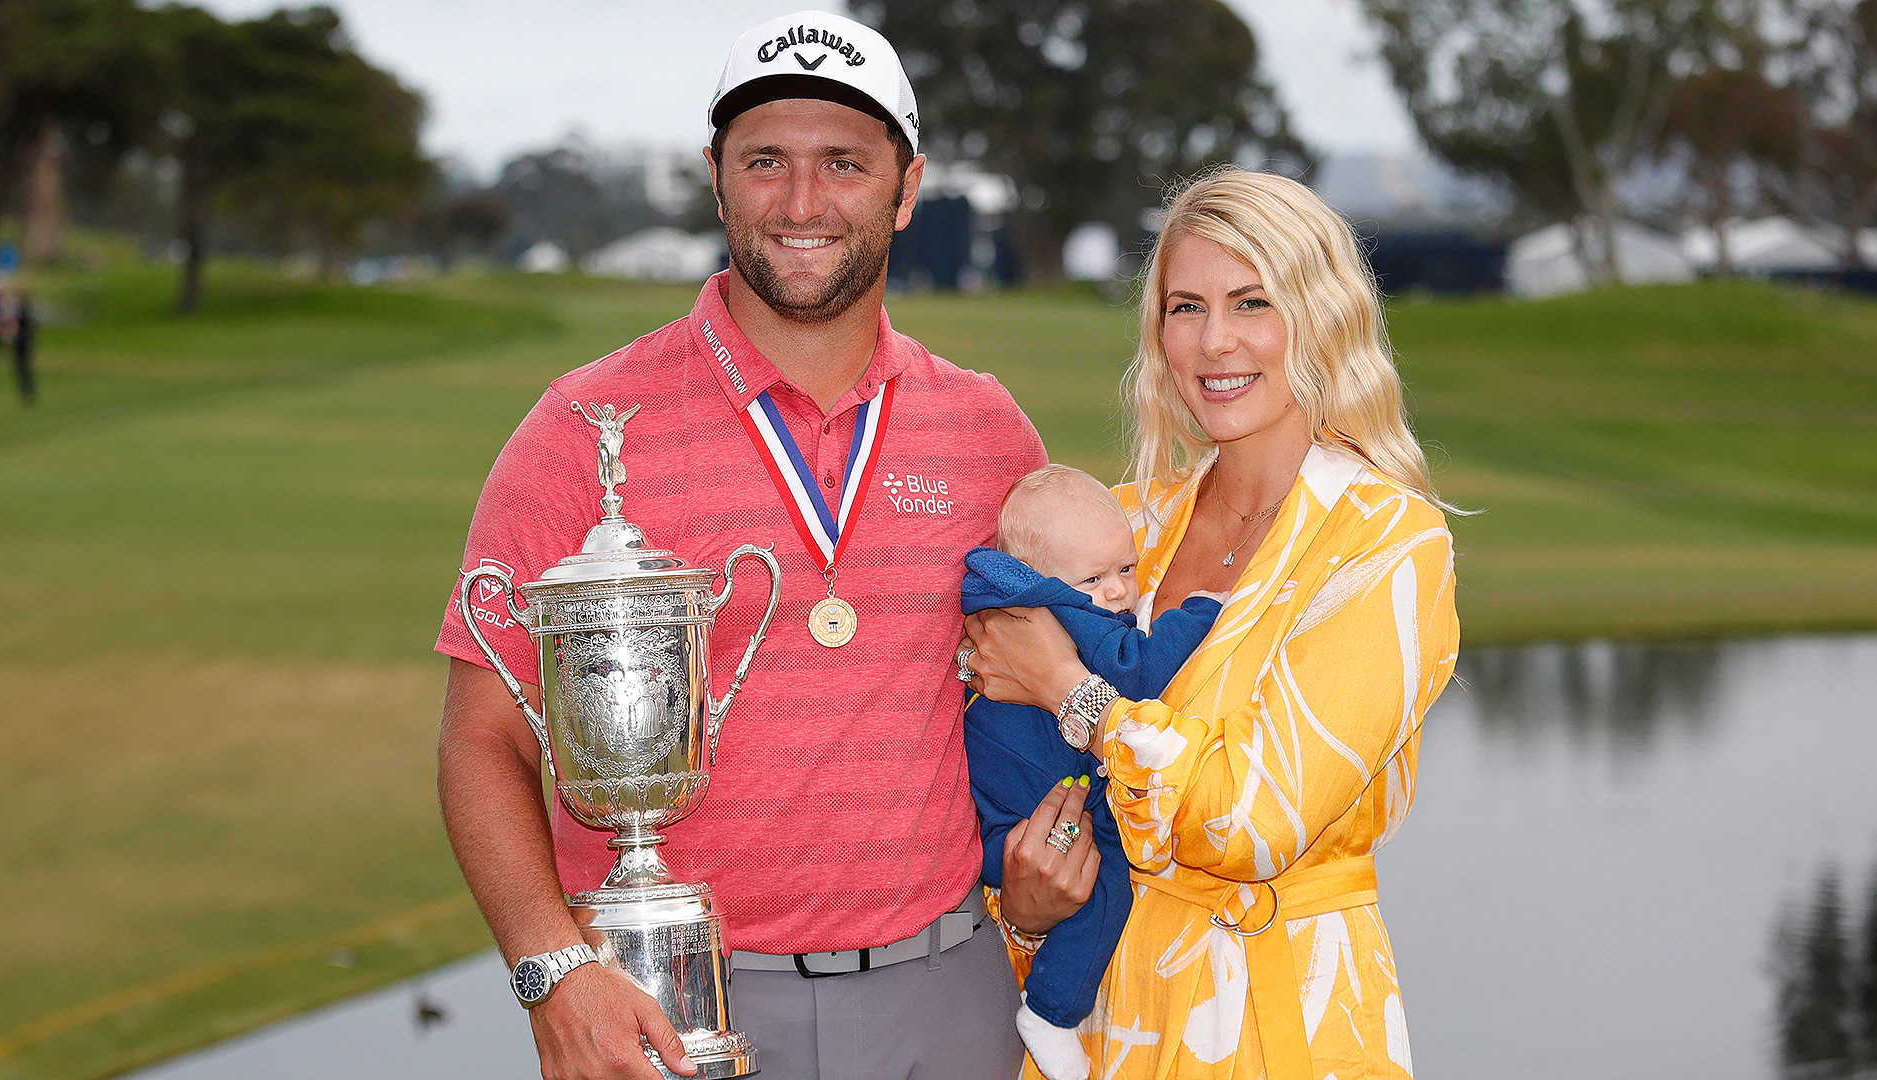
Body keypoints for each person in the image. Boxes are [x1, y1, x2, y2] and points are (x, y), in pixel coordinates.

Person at [434, 11, 1052, 1080]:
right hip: (670, 1005)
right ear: (716, 181)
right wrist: (548, 969)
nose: (802, 203)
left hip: (947, 990)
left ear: (907, 189)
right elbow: (485, 738)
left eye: (844, 164)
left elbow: (1042, 684)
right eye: (766, 161)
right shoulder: (584, 426)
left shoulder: (989, 432)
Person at [963, 166, 1462, 1080]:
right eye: (1185, 306)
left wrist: (1069, 691)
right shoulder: (1124, 530)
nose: (1215, 341)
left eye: (1251, 301)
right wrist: (1030, 902)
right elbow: (1003, 748)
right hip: (1099, 1013)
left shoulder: (1387, 543)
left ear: (1321, 315)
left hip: (1281, 1019)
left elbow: (1251, 819)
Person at [958, 464, 1225, 1080]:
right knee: (1106, 881)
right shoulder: (1064, 612)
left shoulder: (1013, 596)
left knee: (1004, 853)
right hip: (1044, 776)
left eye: (1126, 570)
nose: (1115, 594)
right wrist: (1199, 614)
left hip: (998, 792)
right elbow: (1135, 675)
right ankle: (1052, 1014)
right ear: (1044, 574)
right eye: (1094, 578)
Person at [11, 291, 36, 406]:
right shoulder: (22, 311)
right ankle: (26, 390)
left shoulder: (24, 312)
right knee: (21, 368)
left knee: (24, 368)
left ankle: (28, 390)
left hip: (23, 343)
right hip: (21, 343)